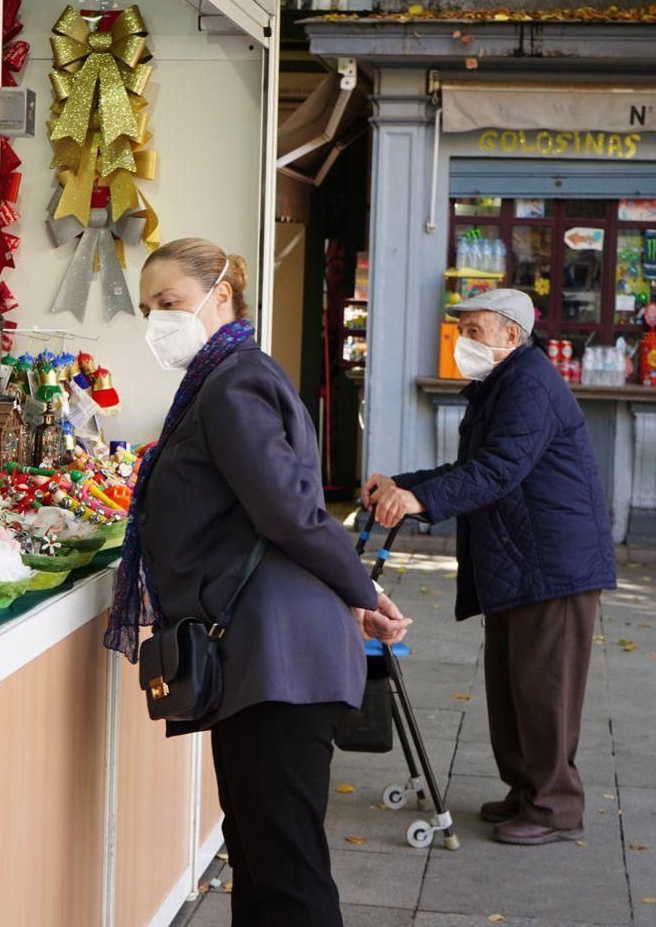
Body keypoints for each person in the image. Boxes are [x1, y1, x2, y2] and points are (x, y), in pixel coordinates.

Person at [108, 237, 411, 926]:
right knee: (260, 859)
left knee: (286, 874)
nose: (159, 319)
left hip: (278, 662)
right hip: (263, 659)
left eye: (172, 302)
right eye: (150, 306)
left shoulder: (233, 382)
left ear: (221, 295)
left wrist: (364, 593)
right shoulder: (221, 378)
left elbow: (291, 514)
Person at [363, 288, 615, 846]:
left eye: (475, 331)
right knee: (513, 685)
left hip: (553, 563)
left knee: (544, 688)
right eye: (463, 331)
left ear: (511, 334)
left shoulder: (528, 384)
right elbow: (470, 467)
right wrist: (404, 486)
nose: (464, 342)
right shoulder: (500, 383)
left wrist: (419, 501)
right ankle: (528, 791)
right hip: (524, 560)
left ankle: (555, 807)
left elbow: (499, 470)